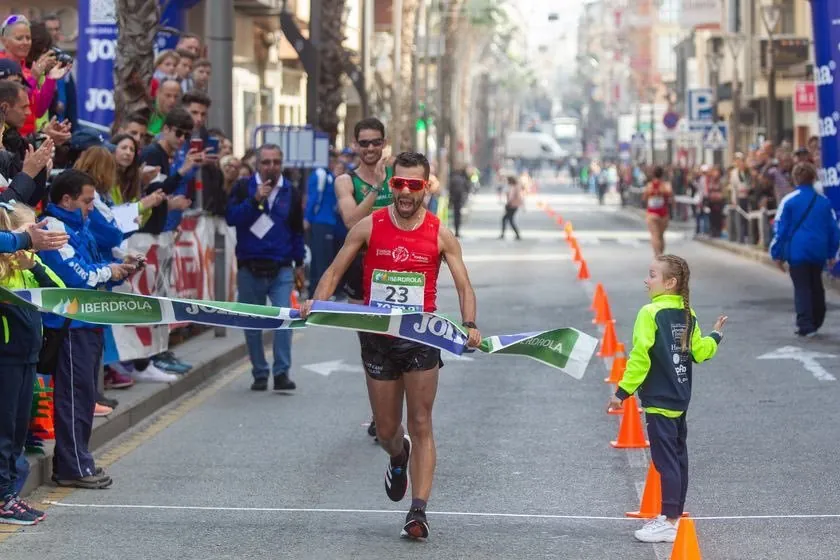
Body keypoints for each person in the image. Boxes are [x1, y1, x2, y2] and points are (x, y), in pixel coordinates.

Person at [301, 151, 481, 540]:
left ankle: (418, 513)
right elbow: (334, 270)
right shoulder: (369, 225)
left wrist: (469, 324)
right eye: (398, 183)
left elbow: (464, 285)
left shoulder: (438, 233)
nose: (404, 191)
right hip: (377, 339)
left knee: (421, 423)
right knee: (386, 430)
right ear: (391, 185)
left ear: (425, 188)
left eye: (413, 185)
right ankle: (397, 458)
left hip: (420, 340)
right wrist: (314, 302)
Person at [608, 254, 726, 543]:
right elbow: (700, 352)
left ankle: (670, 522)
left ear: (670, 282)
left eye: (651, 275)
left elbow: (640, 359)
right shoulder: (688, 313)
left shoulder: (650, 313)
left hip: (659, 399)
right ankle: (671, 515)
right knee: (678, 459)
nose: (646, 280)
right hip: (680, 398)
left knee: (665, 462)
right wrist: (716, 337)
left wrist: (622, 393)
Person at [37, 170, 137, 489]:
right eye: (86, 201)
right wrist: (110, 270)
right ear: (66, 200)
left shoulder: (79, 226)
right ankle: (71, 466)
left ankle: (79, 459)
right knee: (73, 398)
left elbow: (94, 268)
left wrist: (119, 271)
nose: (91, 207)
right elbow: (74, 276)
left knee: (83, 397)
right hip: (70, 325)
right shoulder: (53, 227)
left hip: (89, 321)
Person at [0, 201, 63, 525]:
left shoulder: (30, 263)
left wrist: (34, 266)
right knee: (4, 431)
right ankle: (3, 497)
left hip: (28, 356)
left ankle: (9, 494)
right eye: (29, 230)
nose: (36, 234)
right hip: (6, 358)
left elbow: (61, 294)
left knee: (18, 429)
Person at [226, 143, 305, 391]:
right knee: (252, 323)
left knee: (284, 320)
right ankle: (259, 372)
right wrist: (255, 199)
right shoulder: (242, 187)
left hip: (281, 267)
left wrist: (299, 263)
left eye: (276, 162)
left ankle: (282, 372)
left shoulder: (290, 191)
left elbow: (297, 230)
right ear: (257, 164)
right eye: (266, 162)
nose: (271, 167)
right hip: (249, 267)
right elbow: (232, 218)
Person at [334, 117, 394, 437]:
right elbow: (351, 220)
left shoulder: (397, 174)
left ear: (384, 143)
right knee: (370, 345)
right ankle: (378, 415)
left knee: (399, 341)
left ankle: (391, 410)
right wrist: (377, 187)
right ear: (355, 145)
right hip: (361, 267)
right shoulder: (346, 182)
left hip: (396, 268)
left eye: (376, 142)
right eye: (364, 143)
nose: (370, 149)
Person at [769, 162, 840, 337]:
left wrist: (777, 254)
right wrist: (832, 253)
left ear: (795, 179)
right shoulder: (824, 202)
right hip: (818, 252)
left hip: (797, 252)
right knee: (817, 285)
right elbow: (833, 229)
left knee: (802, 288)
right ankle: (817, 318)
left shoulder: (789, 201)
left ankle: (806, 325)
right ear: (813, 177)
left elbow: (781, 230)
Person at [642, 166, 672, 256]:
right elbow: (671, 196)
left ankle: (658, 255)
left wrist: (652, 195)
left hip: (652, 213)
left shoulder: (649, 185)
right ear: (662, 174)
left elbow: (644, 198)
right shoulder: (666, 185)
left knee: (655, 235)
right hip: (664, 213)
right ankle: (661, 254)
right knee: (661, 235)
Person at [499, 175, 522, 240]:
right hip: (515, 205)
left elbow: (511, 196)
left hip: (511, 205)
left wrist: (508, 203)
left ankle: (515, 234)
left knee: (507, 220)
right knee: (508, 219)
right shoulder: (516, 186)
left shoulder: (512, 187)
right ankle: (516, 234)